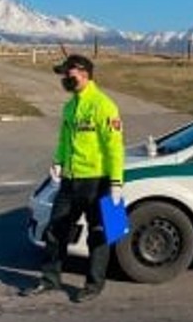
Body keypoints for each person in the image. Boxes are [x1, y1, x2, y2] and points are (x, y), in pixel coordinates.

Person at [22, 53, 124, 303]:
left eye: (68, 73)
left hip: (97, 181)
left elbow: (115, 147)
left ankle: (93, 285)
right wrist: (58, 162)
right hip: (70, 180)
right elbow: (64, 141)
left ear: (83, 73)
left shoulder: (103, 105)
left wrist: (116, 182)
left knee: (99, 235)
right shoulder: (70, 106)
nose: (65, 78)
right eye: (64, 74)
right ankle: (49, 279)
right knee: (57, 230)